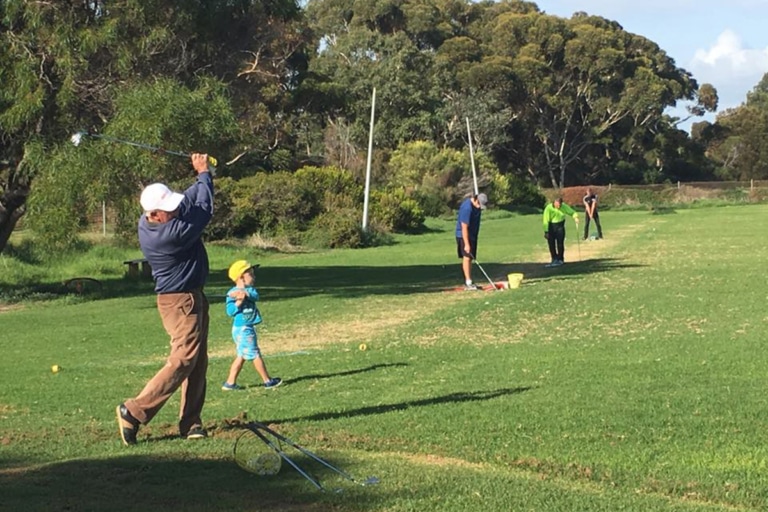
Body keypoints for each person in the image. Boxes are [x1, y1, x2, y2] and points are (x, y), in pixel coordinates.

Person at [116, 153, 214, 446]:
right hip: (180, 302)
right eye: (167, 210)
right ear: (156, 214)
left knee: (197, 362)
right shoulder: (170, 233)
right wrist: (204, 174)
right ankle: (133, 411)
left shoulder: (149, 221)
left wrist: (202, 175)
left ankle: (191, 422)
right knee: (184, 359)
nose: (174, 211)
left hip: (189, 298)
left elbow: (190, 200)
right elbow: (204, 209)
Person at [222, 260, 282, 391]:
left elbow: (256, 296)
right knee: (255, 354)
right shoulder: (231, 293)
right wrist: (238, 301)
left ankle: (230, 383)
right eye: (251, 274)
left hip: (246, 327)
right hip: (242, 329)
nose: (254, 277)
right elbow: (230, 312)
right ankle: (267, 381)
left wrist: (246, 293)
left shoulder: (250, 290)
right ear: (241, 277)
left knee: (241, 355)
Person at [455, 193, 488, 290]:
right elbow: (464, 227)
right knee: (467, 257)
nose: (479, 208)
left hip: (472, 235)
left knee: (470, 258)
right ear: (476, 200)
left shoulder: (477, 207)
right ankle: (468, 282)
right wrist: (466, 244)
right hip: (463, 235)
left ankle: (470, 281)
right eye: (479, 205)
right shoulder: (467, 208)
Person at [542, 197, 579, 267]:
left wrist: (575, 217)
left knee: (560, 243)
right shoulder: (549, 208)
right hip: (551, 227)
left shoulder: (564, 206)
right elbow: (545, 220)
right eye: (557, 205)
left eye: (560, 205)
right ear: (554, 203)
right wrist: (546, 231)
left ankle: (560, 259)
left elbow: (572, 212)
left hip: (560, 226)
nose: (558, 207)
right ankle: (554, 258)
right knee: (551, 244)